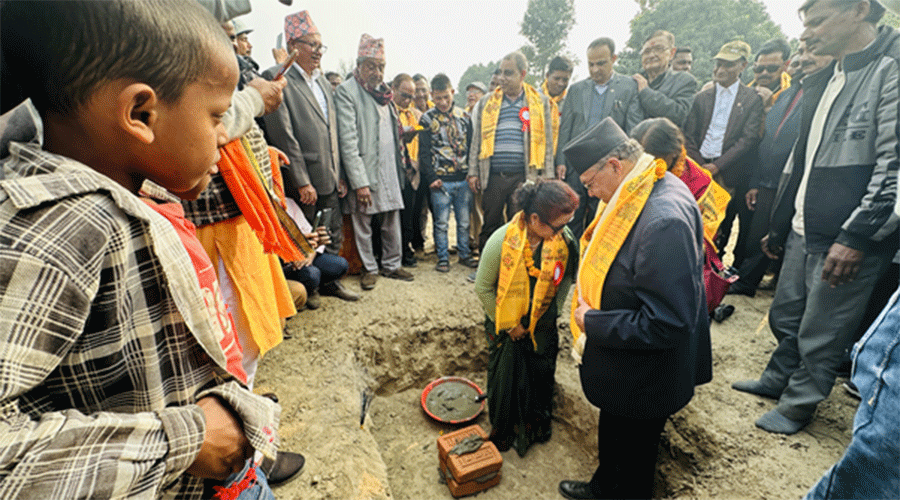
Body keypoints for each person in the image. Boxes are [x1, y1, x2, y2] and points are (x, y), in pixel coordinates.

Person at [0, 2, 281, 497]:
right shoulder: (60, 227)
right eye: (216, 115)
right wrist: (187, 439)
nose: (224, 134)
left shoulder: (137, 194)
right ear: (140, 113)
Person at [732, 0, 900, 435]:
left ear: (861, 9)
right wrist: (783, 220)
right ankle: (776, 380)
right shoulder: (829, 74)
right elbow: (802, 158)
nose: (806, 35)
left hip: (848, 235)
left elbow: (894, 167)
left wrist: (859, 236)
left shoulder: (891, 67)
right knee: (787, 317)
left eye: (819, 21)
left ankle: (798, 405)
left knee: (824, 330)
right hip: (807, 225)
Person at [558, 117, 712, 500]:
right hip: (626, 370)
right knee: (615, 433)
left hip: (647, 373)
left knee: (637, 455)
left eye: (591, 184)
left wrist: (590, 320)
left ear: (614, 165)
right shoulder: (643, 187)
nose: (591, 195)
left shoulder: (662, 221)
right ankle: (602, 486)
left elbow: (667, 322)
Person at [474, 180, 578, 457]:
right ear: (534, 219)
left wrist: (551, 309)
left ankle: (534, 428)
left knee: (540, 377)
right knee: (506, 380)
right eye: (557, 226)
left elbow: (566, 276)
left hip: (542, 325)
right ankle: (504, 431)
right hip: (506, 325)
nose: (564, 231)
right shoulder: (501, 242)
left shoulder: (564, 241)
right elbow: (483, 288)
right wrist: (509, 325)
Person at [263, 10, 358, 306]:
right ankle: (310, 287)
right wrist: (301, 180)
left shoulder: (322, 82)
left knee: (330, 234)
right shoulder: (278, 77)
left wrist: (339, 172)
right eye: (312, 45)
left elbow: (334, 133)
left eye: (321, 46)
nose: (318, 52)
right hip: (302, 179)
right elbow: (283, 136)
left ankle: (330, 282)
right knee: (305, 239)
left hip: (329, 175)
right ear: (293, 44)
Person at [728, 41, 833, 297]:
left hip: (794, 179)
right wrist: (756, 180)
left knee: (775, 235)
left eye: (808, 55)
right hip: (768, 178)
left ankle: (755, 282)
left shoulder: (823, 92)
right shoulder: (788, 94)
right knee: (758, 233)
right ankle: (745, 278)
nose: (801, 61)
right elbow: (766, 141)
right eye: (799, 55)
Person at [335, 34, 414, 290]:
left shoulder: (384, 94)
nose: (377, 72)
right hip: (364, 170)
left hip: (389, 167)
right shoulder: (347, 92)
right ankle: (369, 269)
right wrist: (360, 182)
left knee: (391, 219)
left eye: (381, 67)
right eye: (371, 66)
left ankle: (392, 265)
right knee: (363, 221)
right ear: (358, 65)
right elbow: (348, 141)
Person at [630, 117, 731, 312]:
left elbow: (704, 236)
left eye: (653, 158)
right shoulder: (640, 169)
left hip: (679, 257)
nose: (646, 164)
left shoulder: (698, 183)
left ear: (672, 154)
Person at [684, 40, 764, 270]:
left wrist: (718, 166)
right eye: (718, 64)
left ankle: (712, 273)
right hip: (699, 168)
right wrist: (701, 166)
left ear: (742, 65)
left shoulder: (751, 99)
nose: (721, 69)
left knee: (722, 223)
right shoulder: (702, 97)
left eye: (728, 65)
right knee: (693, 218)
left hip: (728, 172)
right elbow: (688, 135)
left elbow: (748, 140)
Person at [468, 51, 556, 256]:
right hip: (494, 176)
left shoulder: (538, 101)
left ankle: (516, 270)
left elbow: (548, 141)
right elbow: (477, 140)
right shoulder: (486, 102)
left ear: (522, 74)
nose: (502, 78)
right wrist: (473, 171)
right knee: (490, 224)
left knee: (520, 225)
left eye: (508, 73)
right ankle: (487, 269)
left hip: (524, 176)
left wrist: (547, 175)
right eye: (500, 73)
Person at [556, 37, 643, 238]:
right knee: (572, 218)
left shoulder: (628, 87)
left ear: (614, 58)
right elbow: (566, 127)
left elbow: (633, 129)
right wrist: (561, 161)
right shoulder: (577, 90)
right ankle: (572, 263)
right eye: (591, 64)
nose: (595, 70)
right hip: (577, 167)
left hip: (609, 169)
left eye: (601, 63)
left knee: (603, 220)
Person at [419, 73, 477, 272]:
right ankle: (442, 257)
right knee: (441, 223)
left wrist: (472, 173)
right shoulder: (427, 119)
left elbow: (471, 148)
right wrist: (431, 177)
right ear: (431, 96)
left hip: (463, 179)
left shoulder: (465, 117)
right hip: (440, 182)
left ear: (452, 92)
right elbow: (424, 152)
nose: (443, 102)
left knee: (463, 222)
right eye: (438, 98)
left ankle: (464, 255)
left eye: (446, 97)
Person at [392, 73, 427, 268]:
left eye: (410, 97)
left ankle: (406, 251)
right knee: (391, 217)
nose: (407, 101)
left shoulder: (416, 115)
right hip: (392, 169)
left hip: (412, 171)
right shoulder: (388, 111)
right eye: (403, 95)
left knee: (410, 214)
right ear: (393, 90)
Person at [632, 30, 698, 127]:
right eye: (646, 51)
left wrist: (646, 93)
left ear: (672, 53)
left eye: (658, 49)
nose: (651, 55)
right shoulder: (634, 82)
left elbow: (680, 115)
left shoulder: (684, 81)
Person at [749, 38, 793, 111]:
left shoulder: (793, 96)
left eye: (771, 68)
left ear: (785, 66)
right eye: (759, 68)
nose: (764, 73)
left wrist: (769, 108)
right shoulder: (742, 92)